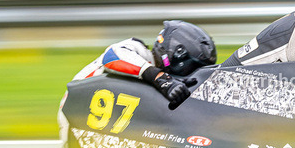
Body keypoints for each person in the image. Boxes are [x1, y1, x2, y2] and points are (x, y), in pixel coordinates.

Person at [66, 20, 217, 106]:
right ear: (177, 54)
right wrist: (160, 78)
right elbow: (111, 57)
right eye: (193, 67)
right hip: (78, 109)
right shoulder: (137, 50)